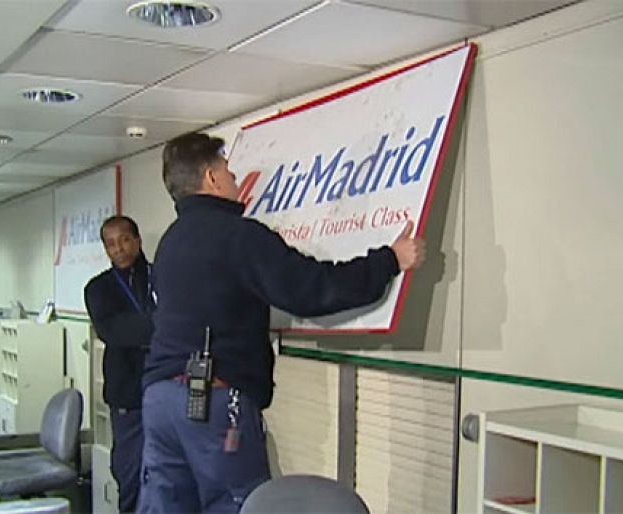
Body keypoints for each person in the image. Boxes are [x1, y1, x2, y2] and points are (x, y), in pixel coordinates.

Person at [138, 132, 427, 513]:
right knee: (237, 505)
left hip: (160, 401)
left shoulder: (170, 242)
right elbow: (311, 289)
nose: (235, 178)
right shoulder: (238, 235)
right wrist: (389, 260)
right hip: (211, 401)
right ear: (211, 178)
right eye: (227, 169)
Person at [84, 215, 156, 513]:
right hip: (128, 397)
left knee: (169, 476)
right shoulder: (98, 289)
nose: (119, 249)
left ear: (137, 240)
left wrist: (145, 327)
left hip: (167, 389)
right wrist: (161, 325)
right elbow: (113, 331)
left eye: (125, 240)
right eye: (111, 244)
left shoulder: (161, 276)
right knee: (130, 476)